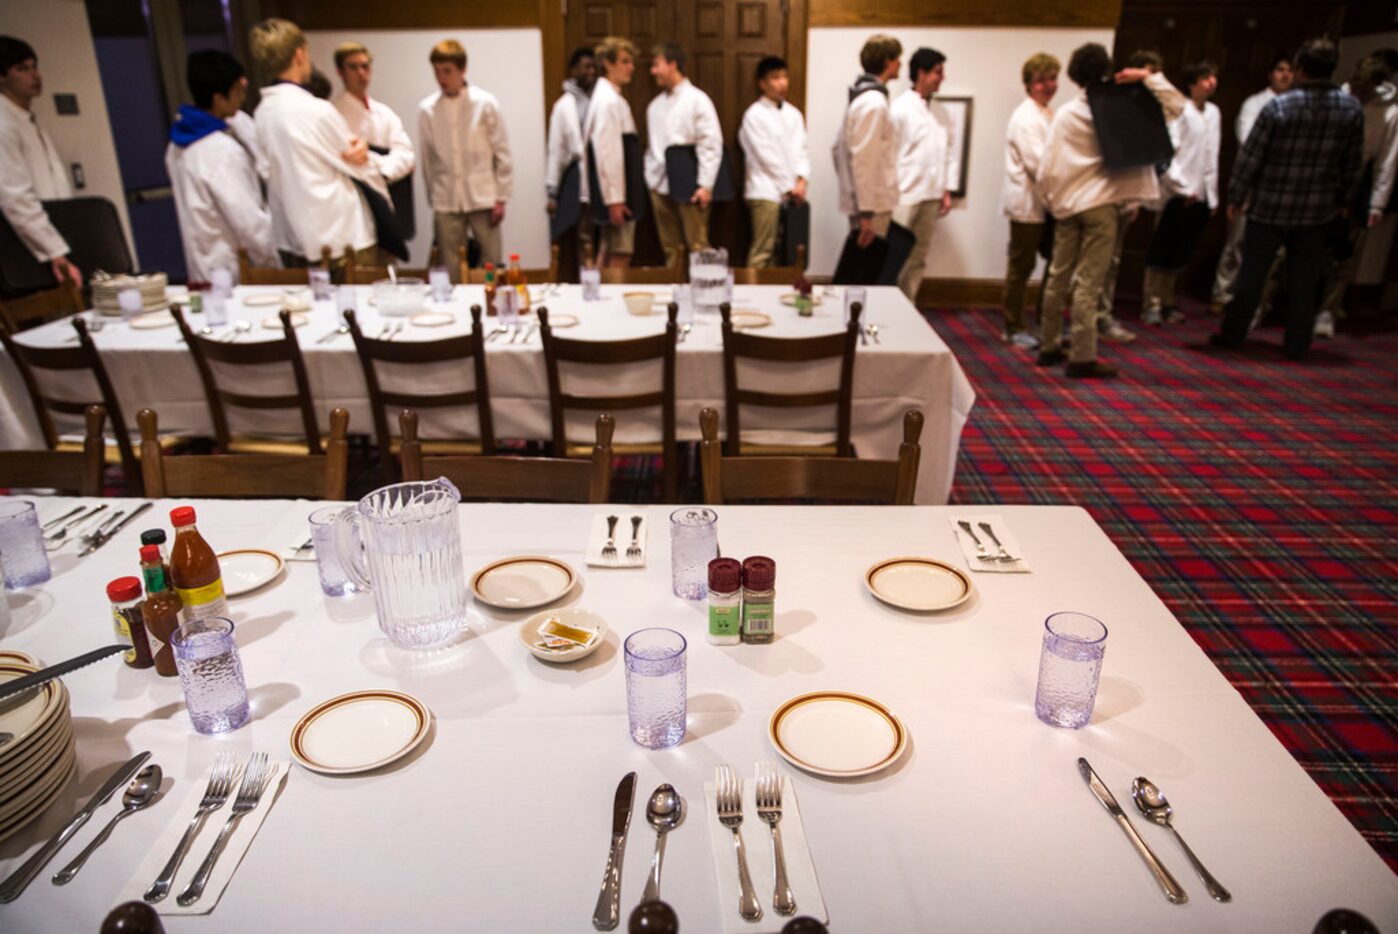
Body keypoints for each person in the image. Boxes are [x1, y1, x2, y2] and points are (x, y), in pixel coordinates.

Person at [1036, 43, 1185, 378]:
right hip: (1101, 205)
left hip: (1068, 205)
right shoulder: (1120, 105)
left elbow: (1047, 165)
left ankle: (1048, 345)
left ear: (1074, 75)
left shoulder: (1066, 113)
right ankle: (1083, 355)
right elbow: (1176, 106)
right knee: (1090, 282)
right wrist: (1147, 76)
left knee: (1058, 277)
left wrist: (1052, 201)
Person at [1212, 39, 1364, 361]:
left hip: (1270, 205)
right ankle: (1297, 344)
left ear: (1300, 69)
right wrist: (1342, 201)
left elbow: (1251, 157)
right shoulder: (1350, 108)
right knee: (1304, 282)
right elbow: (1352, 163)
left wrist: (1236, 196)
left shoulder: (1280, 106)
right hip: (1317, 209)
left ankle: (1234, 333)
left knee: (1252, 276)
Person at [249, 18, 387, 269]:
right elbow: (356, 163)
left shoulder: (262, 113)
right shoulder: (316, 110)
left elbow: (265, 170)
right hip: (341, 236)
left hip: (296, 234)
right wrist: (365, 156)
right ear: (300, 54)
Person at [165, 50, 276, 285]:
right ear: (218, 98)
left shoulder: (176, 145)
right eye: (238, 91)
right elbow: (248, 222)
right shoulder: (220, 150)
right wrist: (273, 266)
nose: (242, 97)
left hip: (201, 266)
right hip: (232, 271)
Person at [1314, 55, 1398, 338]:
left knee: (1344, 253)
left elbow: (1388, 159)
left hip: (1360, 180)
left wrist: (1377, 202)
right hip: (1327, 174)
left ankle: (1327, 309)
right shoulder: (1340, 97)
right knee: (1309, 247)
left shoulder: (1390, 111)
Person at [1091, 48, 1168, 344]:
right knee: (1098, 265)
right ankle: (1093, 317)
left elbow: (1177, 105)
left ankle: (1103, 315)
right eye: (1145, 74)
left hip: (1128, 197)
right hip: (1104, 196)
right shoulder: (1113, 101)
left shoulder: (1149, 105)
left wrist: (1151, 80)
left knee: (1112, 262)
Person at [418, 40, 513, 278]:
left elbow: (502, 151)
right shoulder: (428, 109)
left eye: (447, 71)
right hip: (446, 197)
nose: (442, 78)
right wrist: (434, 197)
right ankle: (458, 304)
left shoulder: (485, 103)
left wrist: (501, 197)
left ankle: (489, 297)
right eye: (437, 71)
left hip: (483, 196)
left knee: (490, 258)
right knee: (450, 261)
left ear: (462, 69)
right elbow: (428, 159)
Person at [1210, 54, 1293, 313]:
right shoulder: (1255, 104)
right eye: (1280, 69)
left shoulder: (1296, 106)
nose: (1285, 75)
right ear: (1271, 74)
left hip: (1283, 191)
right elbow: (1248, 143)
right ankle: (1222, 294)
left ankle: (1257, 302)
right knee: (1237, 242)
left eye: (1290, 70)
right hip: (1253, 185)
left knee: (1272, 253)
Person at [1141, 60, 1221, 325]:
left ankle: (1167, 301)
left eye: (1213, 77)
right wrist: (1181, 187)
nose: (1211, 83)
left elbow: (1212, 157)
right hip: (1176, 192)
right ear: (1192, 82)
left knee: (1181, 251)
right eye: (1204, 78)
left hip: (1200, 193)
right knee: (1161, 249)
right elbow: (1166, 153)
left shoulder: (1214, 113)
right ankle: (1151, 301)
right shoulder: (1180, 110)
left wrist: (1212, 195)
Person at [0, 36, 81, 287]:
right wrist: (54, 252)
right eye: (22, 69)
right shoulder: (4, 123)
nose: (34, 75)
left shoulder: (25, 118)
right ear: (2, 77)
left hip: (52, 232)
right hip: (28, 249)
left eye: (34, 66)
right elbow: (15, 196)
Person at [999, 53, 1059, 348]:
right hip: (1027, 205)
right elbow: (1039, 165)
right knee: (1021, 267)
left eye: (1052, 79)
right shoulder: (1025, 117)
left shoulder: (1048, 114)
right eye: (1042, 81)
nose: (1049, 86)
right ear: (1030, 84)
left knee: (1054, 263)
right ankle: (1013, 325)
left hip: (1047, 204)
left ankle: (1046, 322)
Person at [644, 43, 722, 268]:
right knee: (670, 248)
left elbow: (711, 144)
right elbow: (652, 147)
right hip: (660, 184)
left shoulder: (698, 100)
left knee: (698, 246)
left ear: (672, 64)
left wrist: (705, 184)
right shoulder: (654, 106)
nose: (653, 71)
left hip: (690, 184)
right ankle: (673, 296)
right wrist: (650, 178)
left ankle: (706, 298)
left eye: (656, 65)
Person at [890, 47, 955, 302]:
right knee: (896, 255)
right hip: (905, 194)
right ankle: (890, 305)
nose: (942, 77)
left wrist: (945, 189)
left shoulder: (940, 111)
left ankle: (909, 303)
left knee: (918, 257)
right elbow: (891, 153)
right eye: (938, 72)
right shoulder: (900, 108)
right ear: (921, 73)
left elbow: (947, 152)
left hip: (931, 193)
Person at [833, 35, 901, 264]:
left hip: (865, 200)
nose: (900, 64)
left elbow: (837, 149)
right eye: (897, 58)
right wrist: (866, 213)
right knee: (866, 270)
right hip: (872, 203)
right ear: (887, 61)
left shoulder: (860, 98)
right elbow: (864, 160)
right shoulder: (873, 103)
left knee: (864, 268)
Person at [738, 56, 809, 269]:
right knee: (763, 249)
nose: (782, 83)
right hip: (765, 191)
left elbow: (802, 150)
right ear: (763, 83)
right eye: (775, 78)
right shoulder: (754, 115)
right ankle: (751, 294)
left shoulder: (794, 114)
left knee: (785, 251)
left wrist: (801, 181)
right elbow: (766, 156)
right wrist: (788, 187)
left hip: (793, 193)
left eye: (785, 77)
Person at [584, 36, 639, 269]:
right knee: (619, 252)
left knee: (608, 249)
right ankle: (610, 299)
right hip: (617, 193)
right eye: (625, 61)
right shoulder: (607, 101)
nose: (631, 67)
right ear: (607, 63)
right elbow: (609, 152)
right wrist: (615, 199)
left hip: (615, 192)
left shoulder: (608, 97)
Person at [333, 42, 415, 195]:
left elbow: (406, 153)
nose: (361, 73)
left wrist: (379, 168)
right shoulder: (334, 113)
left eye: (365, 66)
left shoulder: (385, 113)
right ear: (340, 72)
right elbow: (347, 162)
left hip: (390, 191)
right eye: (353, 67)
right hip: (354, 195)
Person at [546, 46, 597, 257]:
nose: (591, 72)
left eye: (594, 67)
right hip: (577, 182)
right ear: (574, 70)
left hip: (602, 182)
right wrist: (552, 192)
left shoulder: (603, 99)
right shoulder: (563, 107)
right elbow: (556, 150)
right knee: (584, 240)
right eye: (586, 67)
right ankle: (587, 283)